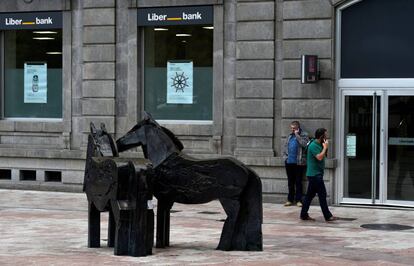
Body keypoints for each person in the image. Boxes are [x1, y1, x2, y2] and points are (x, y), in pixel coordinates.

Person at [300, 128, 337, 222]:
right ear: (321, 136)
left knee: (309, 195)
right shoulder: (313, 145)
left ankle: (303, 215)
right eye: (325, 135)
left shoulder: (318, 144)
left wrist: (325, 147)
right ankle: (327, 216)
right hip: (314, 175)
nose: (326, 137)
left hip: (316, 174)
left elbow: (324, 155)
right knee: (322, 195)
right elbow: (319, 157)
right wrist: (325, 147)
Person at [282, 121, 309, 207]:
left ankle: (298, 200)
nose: (292, 130)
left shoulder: (304, 135)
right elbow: (285, 147)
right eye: (291, 128)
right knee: (290, 182)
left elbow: (305, 144)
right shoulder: (290, 136)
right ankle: (290, 200)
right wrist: (285, 158)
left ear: (298, 128)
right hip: (289, 162)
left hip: (299, 163)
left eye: (293, 128)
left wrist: (297, 135)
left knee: (298, 182)